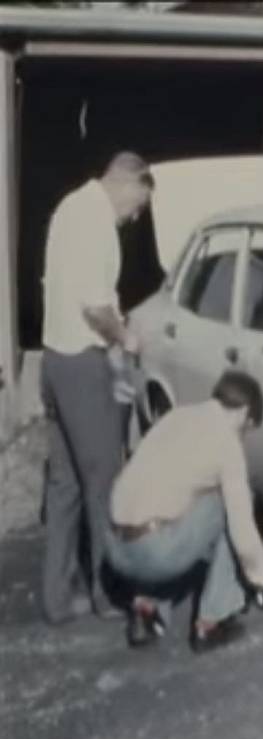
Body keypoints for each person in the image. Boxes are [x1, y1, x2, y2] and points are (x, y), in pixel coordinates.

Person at [40, 151, 154, 623]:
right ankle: (109, 593)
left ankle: (56, 599)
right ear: (130, 184)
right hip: (82, 365)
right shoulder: (96, 220)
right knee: (103, 478)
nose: (137, 216)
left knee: (64, 483)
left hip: (53, 360)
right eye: (140, 204)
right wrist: (125, 337)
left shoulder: (70, 207)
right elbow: (95, 309)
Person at [105, 371, 263, 653]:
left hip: (114, 548)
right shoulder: (227, 443)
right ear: (243, 411)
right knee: (228, 506)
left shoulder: (176, 416)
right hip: (152, 554)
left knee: (172, 503)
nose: (245, 434)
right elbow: (242, 527)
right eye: (249, 425)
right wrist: (260, 578)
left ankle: (148, 606)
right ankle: (212, 622)